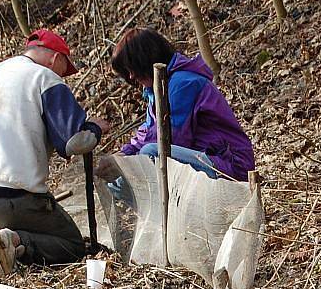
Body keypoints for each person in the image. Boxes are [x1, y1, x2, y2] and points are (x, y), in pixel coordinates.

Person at [0, 29, 110, 277]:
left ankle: (2, 243)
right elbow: (76, 142)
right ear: (56, 59)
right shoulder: (44, 78)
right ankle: (15, 241)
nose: (63, 76)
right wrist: (95, 127)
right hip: (7, 197)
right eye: (64, 69)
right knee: (73, 245)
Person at [96, 27, 254, 192]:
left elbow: (170, 140)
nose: (131, 77)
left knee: (151, 154)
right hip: (205, 160)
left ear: (145, 59)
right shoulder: (158, 88)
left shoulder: (182, 84)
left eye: (132, 69)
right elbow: (148, 133)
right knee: (116, 186)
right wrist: (122, 156)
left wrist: (128, 166)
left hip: (229, 167)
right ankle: (164, 216)